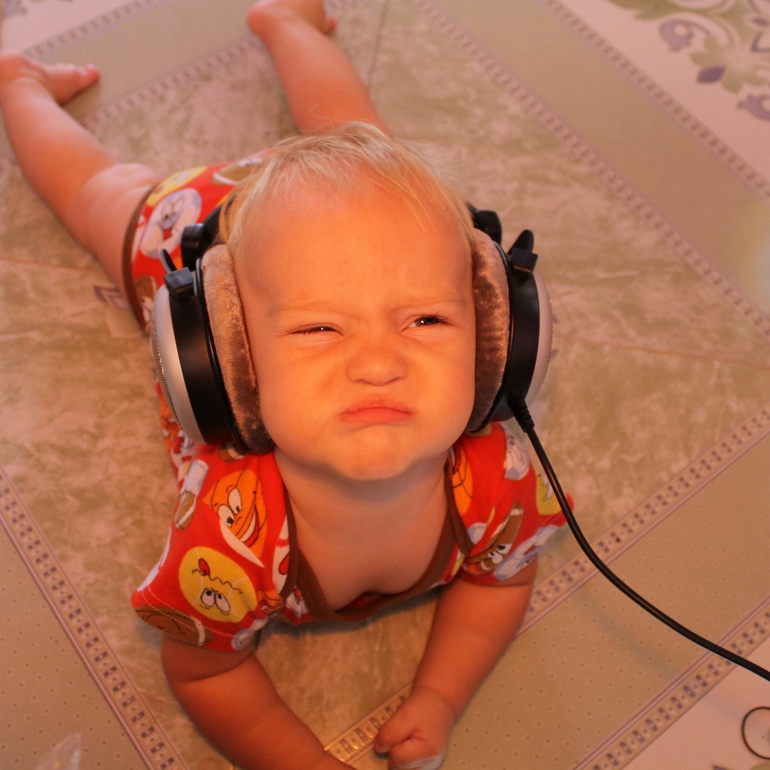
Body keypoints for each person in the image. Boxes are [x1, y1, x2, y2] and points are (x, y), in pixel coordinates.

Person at [0, 2, 567, 768]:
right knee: (100, 193)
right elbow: (205, 671)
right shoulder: (229, 542)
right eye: (320, 329)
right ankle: (18, 84)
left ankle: (287, 21)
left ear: (499, 340)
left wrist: (439, 697)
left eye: (426, 320)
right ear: (229, 361)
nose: (378, 364)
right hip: (194, 228)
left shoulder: (497, 480)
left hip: (340, 223)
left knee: (359, 137)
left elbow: (500, 582)